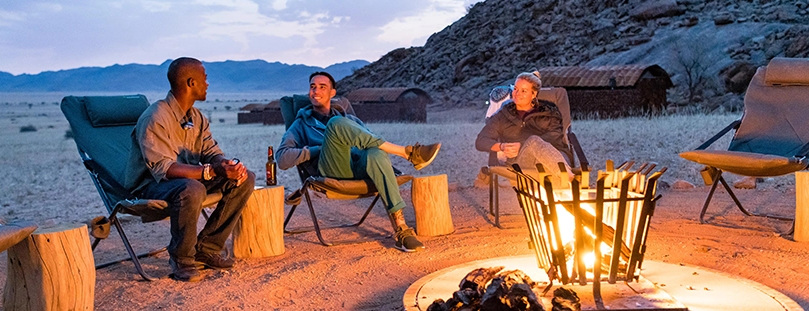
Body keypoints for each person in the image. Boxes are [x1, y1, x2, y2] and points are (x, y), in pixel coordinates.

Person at [276, 71, 441, 253]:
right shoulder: (300, 124)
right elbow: (283, 159)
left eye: (322, 87)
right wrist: (319, 148)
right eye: (312, 87)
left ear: (332, 93)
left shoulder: (351, 120)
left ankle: (402, 229)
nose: (316, 91)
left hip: (358, 167)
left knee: (375, 154)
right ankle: (408, 153)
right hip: (331, 170)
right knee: (336, 124)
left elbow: (373, 142)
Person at [125, 57, 255, 282]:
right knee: (192, 188)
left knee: (245, 178)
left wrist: (226, 165)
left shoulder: (197, 117)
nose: (208, 84)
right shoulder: (155, 117)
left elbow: (211, 151)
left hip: (187, 180)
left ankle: (207, 248)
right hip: (150, 186)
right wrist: (211, 171)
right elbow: (164, 169)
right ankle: (181, 259)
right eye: (205, 78)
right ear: (190, 82)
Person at [475, 71, 573, 186]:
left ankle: (561, 187)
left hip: (555, 155)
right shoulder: (503, 115)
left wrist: (522, 144)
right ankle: (568, 180)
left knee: (534, 142)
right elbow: (481, 141)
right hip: (522, 161)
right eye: (516, 89)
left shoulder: (548, 112)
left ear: (534, 94)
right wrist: (502, 147)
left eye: (524, 91)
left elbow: (554, 137)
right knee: (534, 142)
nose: (517, 94)